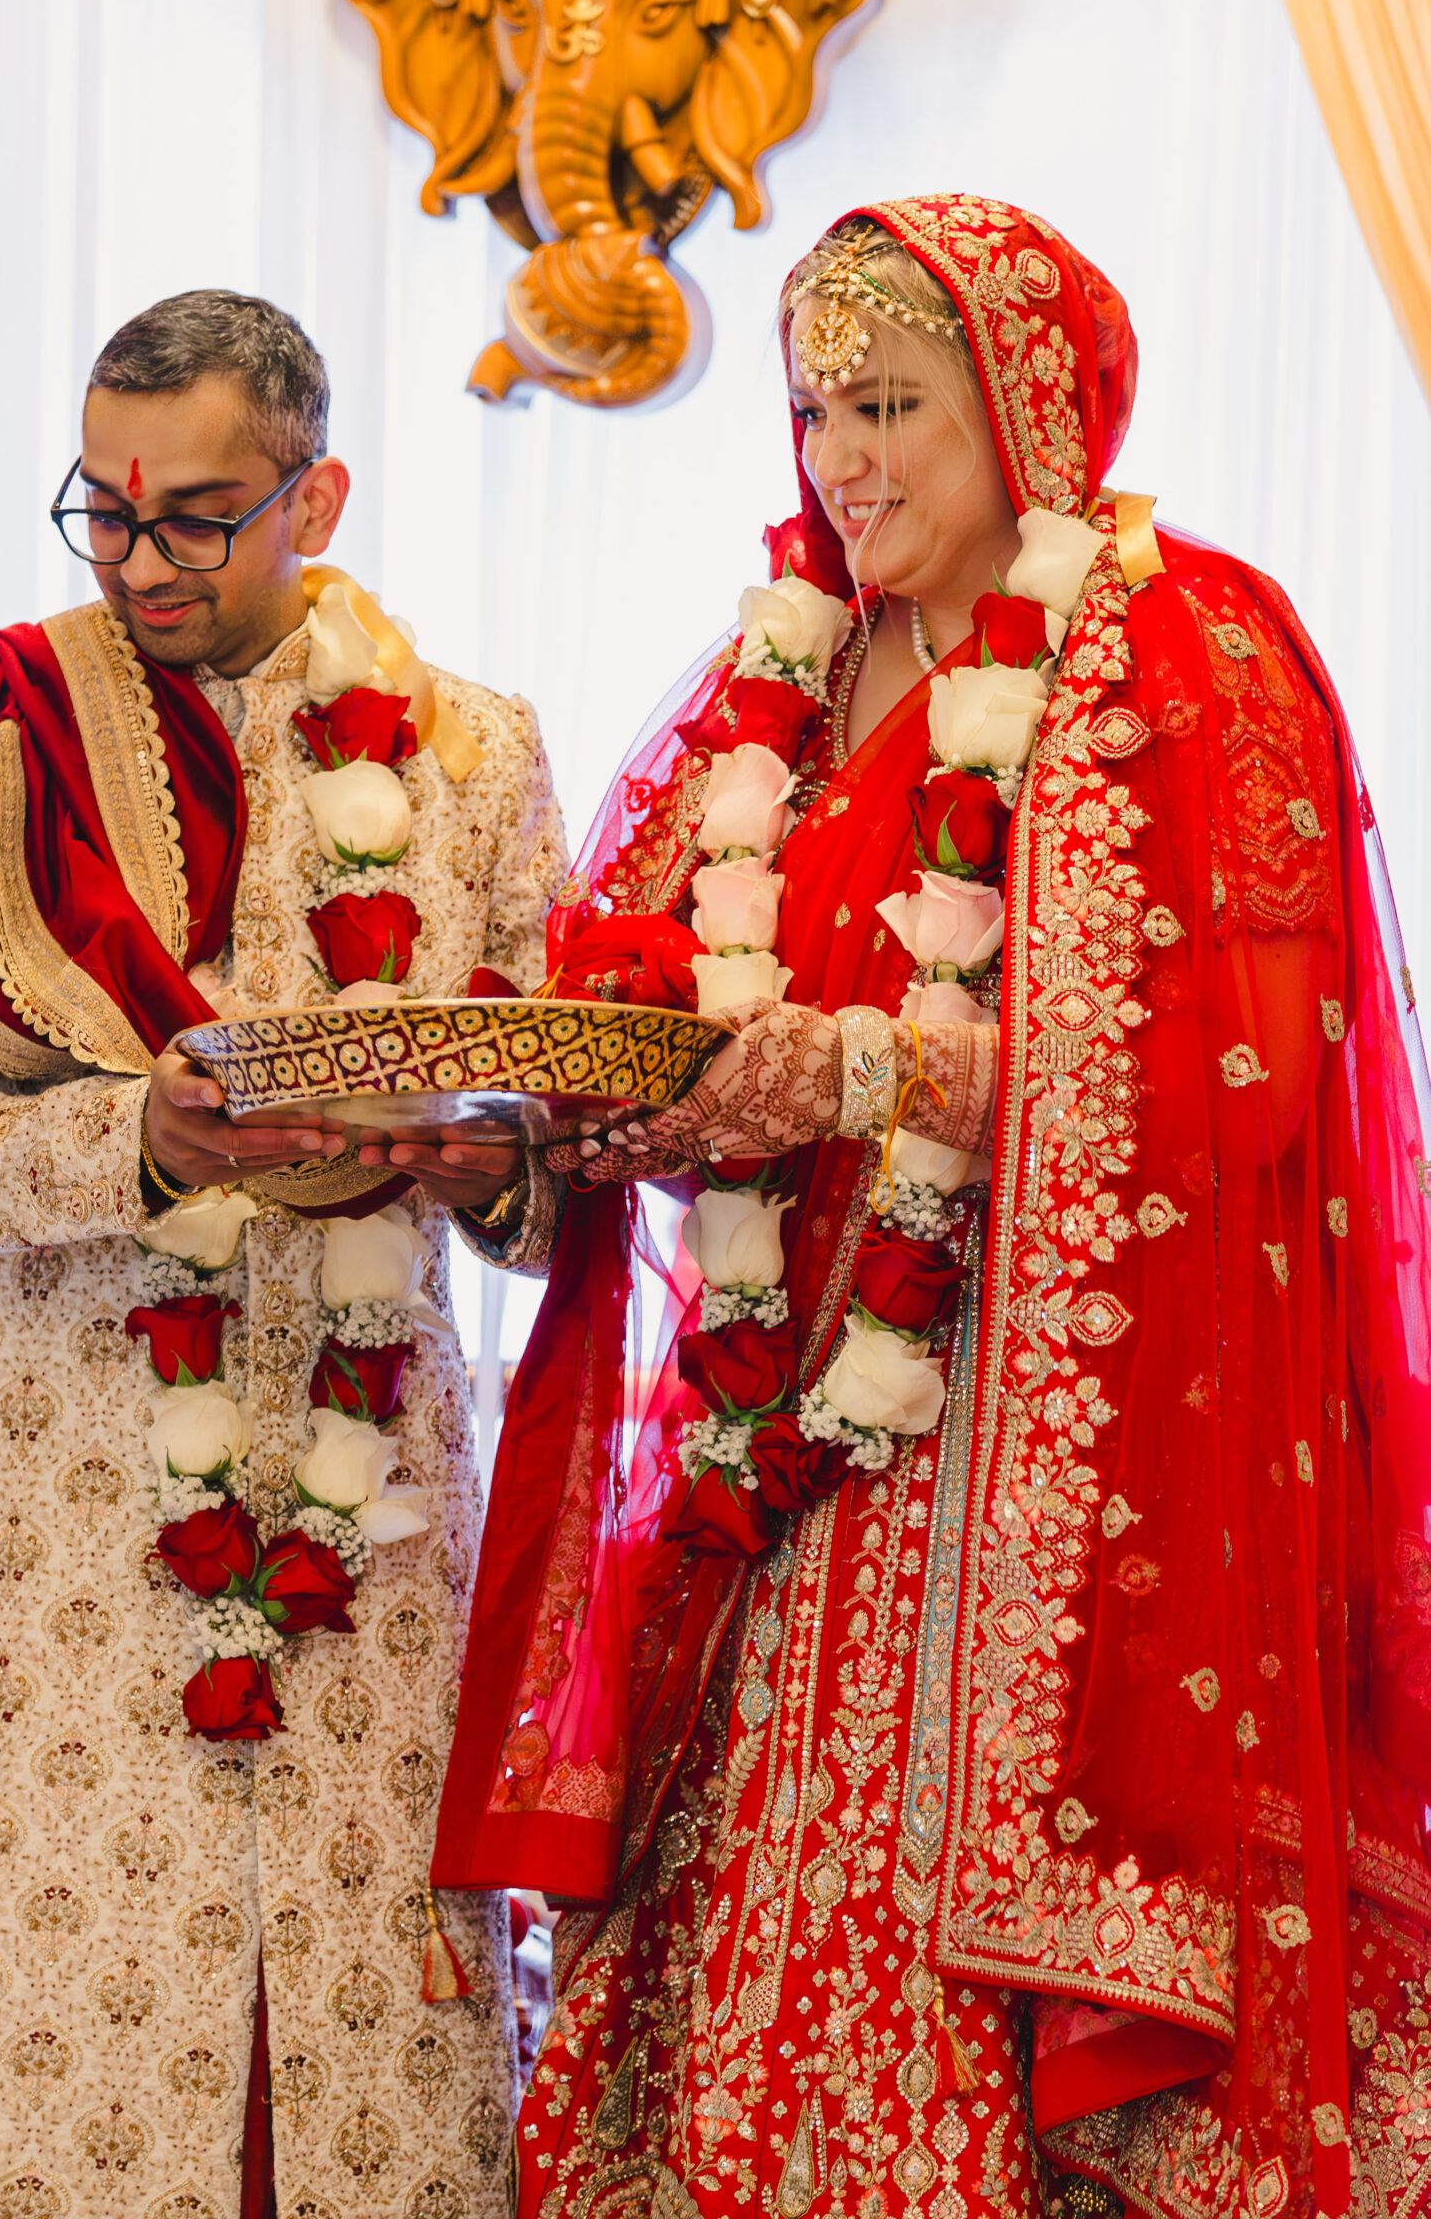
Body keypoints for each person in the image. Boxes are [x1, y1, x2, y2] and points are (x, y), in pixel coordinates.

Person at [432, 201, 1431, 2217]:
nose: (846, 460)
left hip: (1040, 1460)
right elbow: (652, 1006)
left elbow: (1238, 1077)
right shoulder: (763, 689)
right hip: (768, 1462)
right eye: (816, 411)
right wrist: (543, 1150)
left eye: (892, 406)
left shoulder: (1186, 649)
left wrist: (873, 1067)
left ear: (1026, 412)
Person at [0, 289, 567, 2219]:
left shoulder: (469, 758)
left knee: (354, 2116)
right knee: (31, 2112)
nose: (140, 563)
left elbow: (565, 1171)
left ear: (321, 495)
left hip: (370, 1515)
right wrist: (140, 1137)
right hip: (59, 1534)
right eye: (104, 512)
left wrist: (469, 1162)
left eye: (198, 517)